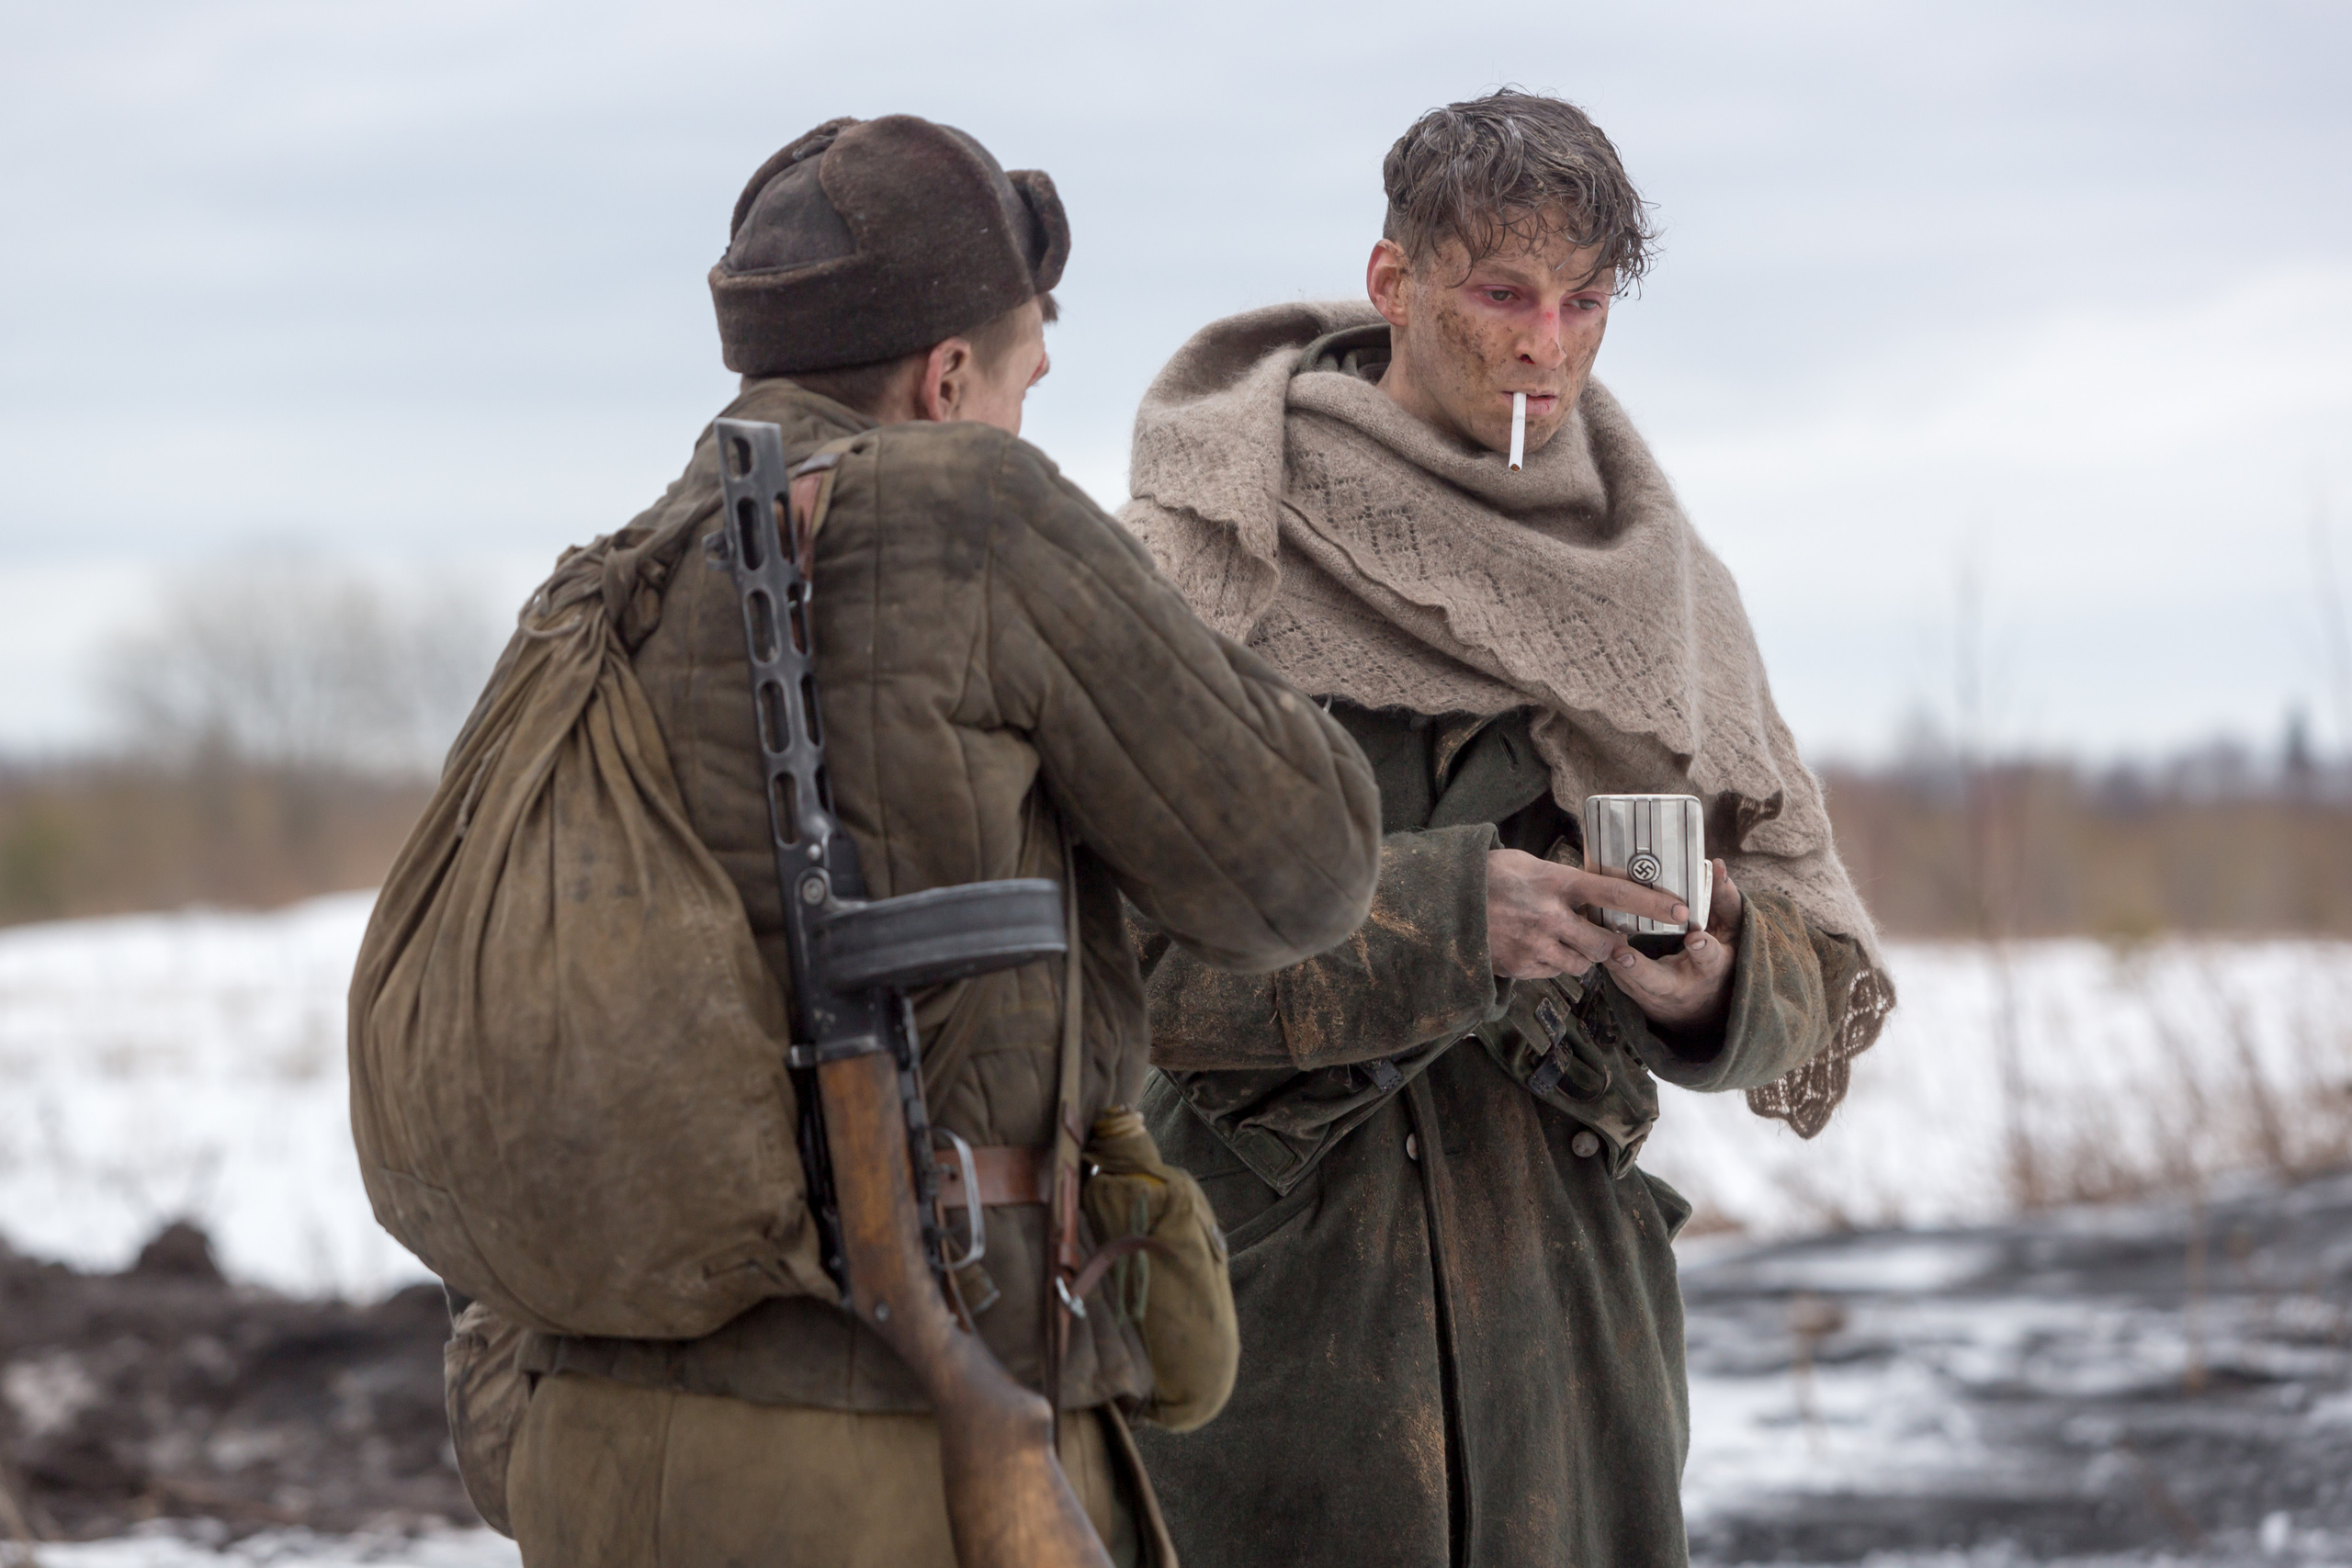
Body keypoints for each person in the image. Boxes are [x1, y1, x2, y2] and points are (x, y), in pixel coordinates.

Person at [497, 113, 1382, 1568]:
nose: (1028, 414)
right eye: (1028, 375)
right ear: (949, 373)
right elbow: (1308, 863)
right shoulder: (976, 507)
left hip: (597, 1442)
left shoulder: (604, 588)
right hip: (888, 1458)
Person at [1117, 90, 1895, 1568]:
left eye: (1584, 299)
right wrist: (1435, 917)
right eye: (1503, 293)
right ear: (1396, 283)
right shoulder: (1208, 549)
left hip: (1569, 1345)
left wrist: (1723, 979)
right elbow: (1104, 957)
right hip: (1275, 1344)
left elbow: (1812, 944)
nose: (1547, 339)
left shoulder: (1662, 590)